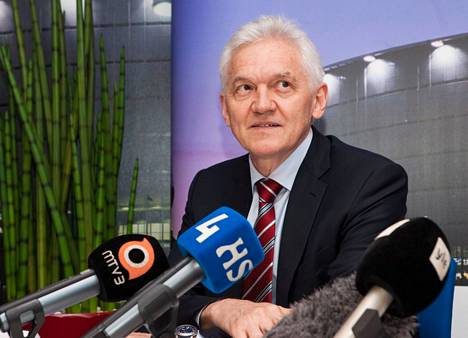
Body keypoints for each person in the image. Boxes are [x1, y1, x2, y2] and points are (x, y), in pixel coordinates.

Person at [169, 15, 408, 338]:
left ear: (318, 100)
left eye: (283, 85)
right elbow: (170, 298)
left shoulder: (371, 182)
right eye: (245, 88)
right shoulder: (209, 186)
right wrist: (223, 309)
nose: (263, 104)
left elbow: (347, 311)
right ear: (226, 109)